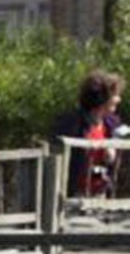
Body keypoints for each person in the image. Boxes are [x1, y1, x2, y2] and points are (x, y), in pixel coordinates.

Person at [51, 68, 126, 199]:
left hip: (100, 193)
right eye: (115, 94)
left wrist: (112, 153)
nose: (119, 98)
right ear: (102, 98)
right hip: (74, 194)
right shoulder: (72, 124)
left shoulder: (112, 123)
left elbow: (119, 150)